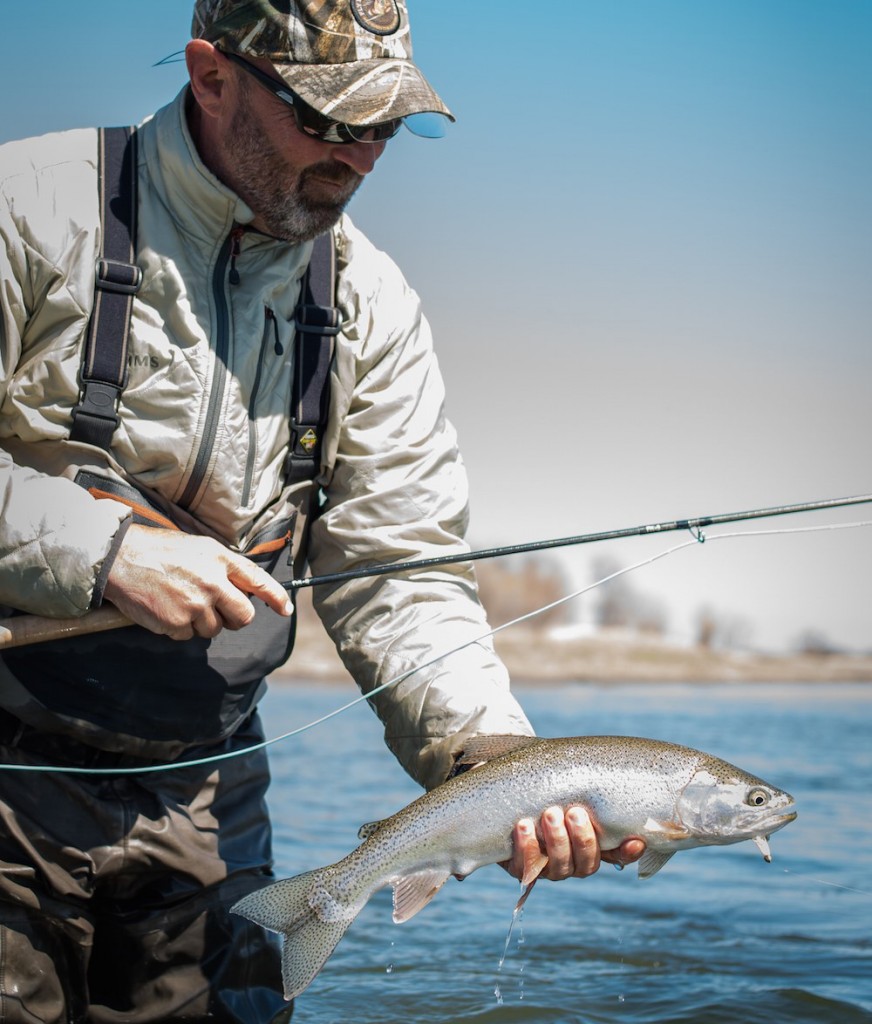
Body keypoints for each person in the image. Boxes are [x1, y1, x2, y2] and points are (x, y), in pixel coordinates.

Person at [0, 1, 644, 1019]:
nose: (360, 156)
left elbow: (402, 576)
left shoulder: (370, 304)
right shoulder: (26, 210)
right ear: (211, 76)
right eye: (328, 118)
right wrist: (102, 549)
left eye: (384, 125)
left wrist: (498, 767)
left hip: (207, 782)